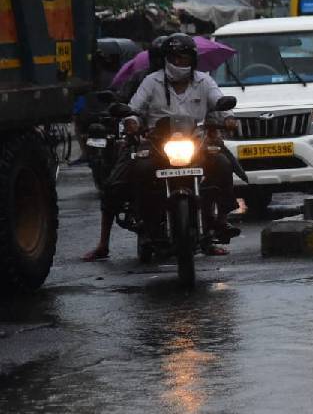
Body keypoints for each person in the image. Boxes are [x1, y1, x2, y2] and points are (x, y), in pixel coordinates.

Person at [85, 34, 238, 260]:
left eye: (185, 59)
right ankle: (142, 229)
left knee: (223, 164)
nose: (180, 64)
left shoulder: (204, 81)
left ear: (193, 60)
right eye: (176, 58)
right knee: (129, 176)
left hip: (195, 141)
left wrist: (228, 118)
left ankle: (219, 221)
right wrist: (131, 122)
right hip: (157, 143)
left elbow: (219, 101)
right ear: (166, 59)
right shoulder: (151, 81)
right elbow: (135, 109)